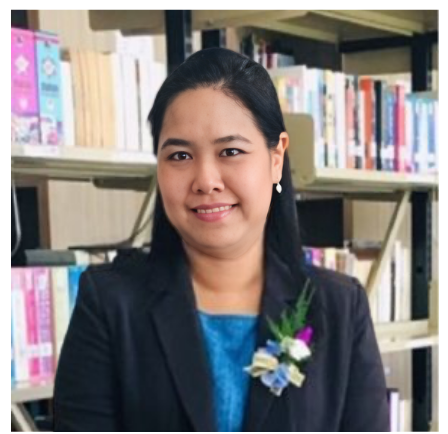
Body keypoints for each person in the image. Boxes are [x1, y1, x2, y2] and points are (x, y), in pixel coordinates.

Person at [53, 47, 389, 431]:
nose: (206, 180)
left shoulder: (339, 308)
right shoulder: (111, 305)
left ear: (276, 159)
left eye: (230, 151)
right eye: (180, 156)